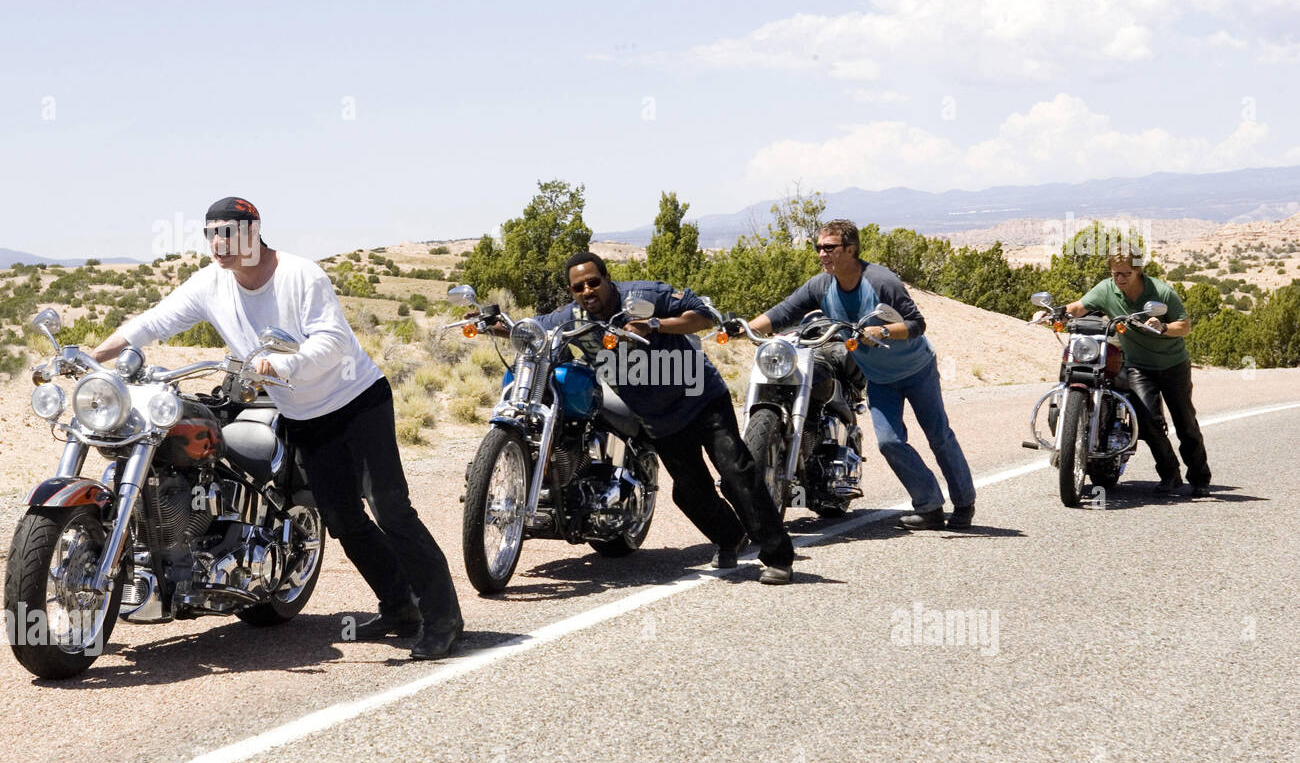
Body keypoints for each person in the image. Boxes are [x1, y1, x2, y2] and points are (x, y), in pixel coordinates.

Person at [89, 196, 464, 659]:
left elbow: (333, 341)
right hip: (304, 416)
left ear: (254, 230)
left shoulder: (300, 275)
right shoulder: (212, 284)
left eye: (230, 231)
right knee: (343, 519)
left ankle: (445, 618)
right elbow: (152, 322)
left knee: (390, 509)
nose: (219, 242)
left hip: (356, 402)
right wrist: (92, 357)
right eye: (211, 233)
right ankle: (400, 606)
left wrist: (284, 364)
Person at [529, 252, 796, 584]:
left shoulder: (644, 296)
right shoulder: (574, 317)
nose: (587, 291)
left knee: (736, 472)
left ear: (607, 278)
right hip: (659, 418)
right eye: (578, 287)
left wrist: (654, 324)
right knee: (689, 491)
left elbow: (702, 316)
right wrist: (490, 322)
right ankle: (731, 537)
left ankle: (778, 556)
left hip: (701, 397)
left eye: (593, 282)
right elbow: (536, 328)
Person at [746, 219, 976, 530]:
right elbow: (783, 312)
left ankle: (964, 503)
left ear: (850, 249)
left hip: (916, 369)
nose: (822, 254)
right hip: (879, 378)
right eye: (819, 248)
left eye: (829, 248)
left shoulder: (881, 281)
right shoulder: (821, 285)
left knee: (939, 437)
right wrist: (746, 327)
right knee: (889, 442)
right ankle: (930, 505)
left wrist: (881, 330)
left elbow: (916, 324)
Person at [1048, 251, 1211, 497]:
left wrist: (1164, 326)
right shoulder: (1106, 289)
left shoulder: (1161, 293)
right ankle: (1170, 474)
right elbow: (1080, 307)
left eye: (1126, 273)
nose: (1121, 279)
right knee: (1147, 421)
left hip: (1172, 365)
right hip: (1137, 365)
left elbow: (1184, 326)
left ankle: (1199, 477)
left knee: (1185, 421)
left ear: (1138, 271)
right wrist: (1057, 312)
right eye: (1116, 274)